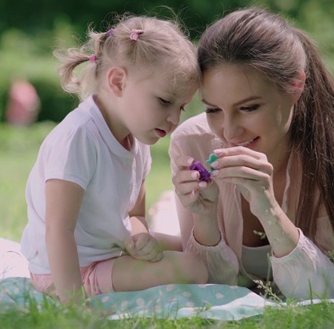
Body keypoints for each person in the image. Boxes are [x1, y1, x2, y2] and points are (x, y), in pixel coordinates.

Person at [169, 7, 334, 300]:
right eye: (213, 109)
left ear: (295, 86)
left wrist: (269, 210)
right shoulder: (192, 143)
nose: (229, 132)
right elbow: (205, 291)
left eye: (248, 108)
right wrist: (204, 219)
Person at [20, 15, 208, 305]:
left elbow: (134, 214)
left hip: (110, 250)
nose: (174, 119)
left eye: (181, 107)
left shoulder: (137, 136)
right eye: (164, 101)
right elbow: (58, 230)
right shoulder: (79, 138)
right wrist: (75, 306)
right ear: (118, 81)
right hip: (68, 271)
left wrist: (140, 237)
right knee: (193, 267)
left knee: (194, 245)